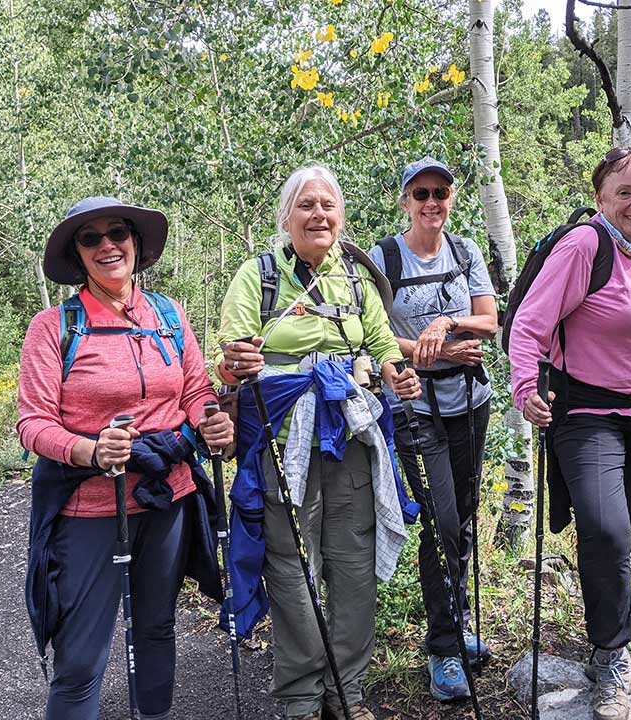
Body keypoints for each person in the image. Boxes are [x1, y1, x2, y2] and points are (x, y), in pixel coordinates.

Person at [215, 164, 420, 720]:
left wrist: (396, 369)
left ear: (341, 216)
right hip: (284, 446)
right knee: (291, 568)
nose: (318, 215)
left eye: (328, 205)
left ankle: (346, 691)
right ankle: (301, 697)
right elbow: (229, 357)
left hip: (350, 439)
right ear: (287, 217)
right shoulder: (256, 276)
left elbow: (381, 341)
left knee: (352, 568)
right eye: (306, 205)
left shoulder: (355, 276)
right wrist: (236, 360)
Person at [18, 196, 233, 720]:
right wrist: (91, 450)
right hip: (90, 509)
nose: (108, 245)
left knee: (156, 627)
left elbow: (195, 390)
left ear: (136, 243)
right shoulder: (53, 328)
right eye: (91, 238)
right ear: (77, 255)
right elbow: (32, 423)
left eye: (119, 233)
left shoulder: (167, 314)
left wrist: (211, 417)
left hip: (169, 495)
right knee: (81, 655)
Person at [508, 147, 631, 720]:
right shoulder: (586, 246)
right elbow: (530, 323)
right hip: (586, 414)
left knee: (613, 534)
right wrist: (525, 387)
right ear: (600, 199)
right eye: (624, 193)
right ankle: (613, 659)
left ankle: (602, 643)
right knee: (608, 533)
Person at [367, 157, 498, 701]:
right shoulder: (385, 257)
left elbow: (490, 322)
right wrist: (433, 349)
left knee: (463, 519)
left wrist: (449, 322)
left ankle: (457, 624)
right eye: (420, 193)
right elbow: (368, 331)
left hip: (470, 399)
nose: (431, 202)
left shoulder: (465, 252)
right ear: (405, 200)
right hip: (414, 405)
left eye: (440, 192)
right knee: (442, 521)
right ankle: (442, 648)